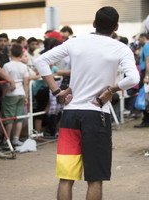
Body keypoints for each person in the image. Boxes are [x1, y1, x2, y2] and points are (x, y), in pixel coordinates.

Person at [34, 6, 139, 200]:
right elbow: (133, 79)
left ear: (93, 23)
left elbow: (40, 61)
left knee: (66, 178)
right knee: (95, 178)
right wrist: (111, 90)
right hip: (97, 113)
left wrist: (57, 92)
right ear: (116, 27)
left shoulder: (75, 42)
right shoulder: (121, 48)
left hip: (71, 114)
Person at [1, 44, 29, 146]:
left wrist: (3, 95)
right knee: (18, 118)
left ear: (11, 52)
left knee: (9, 118)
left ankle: (7, 139)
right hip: (21, 93)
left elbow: (5, 82)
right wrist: (26, 96)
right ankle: (16, 139)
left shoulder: (7, 65)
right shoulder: (23, 66)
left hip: (10, 94)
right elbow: (26, 82)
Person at [134, 33, 149, 128]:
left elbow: (148, 61)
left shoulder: (147, 46)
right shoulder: (145, 47)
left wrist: (147, 76)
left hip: (145, 73)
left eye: (139, 39)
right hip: (144, 73)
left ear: (143, 38)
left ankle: (146, 120)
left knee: (145, 97)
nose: (138, 41)